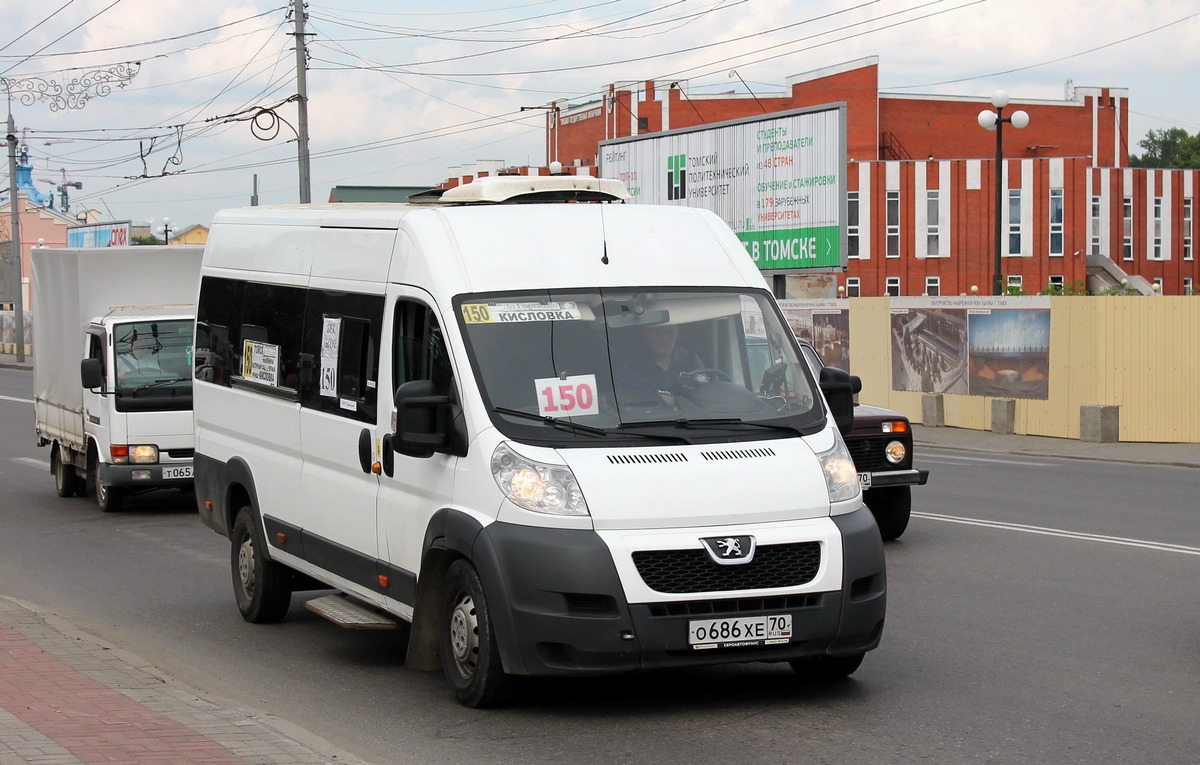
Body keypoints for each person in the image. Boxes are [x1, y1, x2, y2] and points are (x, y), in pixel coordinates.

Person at [615, 322, 704, 397]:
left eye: (669, 331)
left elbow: (705, 398)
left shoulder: (692, 361)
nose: (663, 338)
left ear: (678, 334)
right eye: (656, 332)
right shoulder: (629, 368)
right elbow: (624, 406)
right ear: (646, 334)